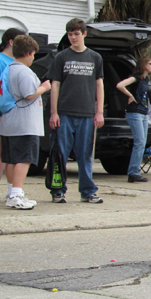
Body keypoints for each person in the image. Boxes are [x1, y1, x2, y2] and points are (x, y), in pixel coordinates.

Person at [47, 18, 105, 204]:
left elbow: (99, 85)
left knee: (85, 153)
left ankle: (88, 191)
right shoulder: (61, 57)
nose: (73, 37)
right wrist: (54, 112)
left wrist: (99, 112)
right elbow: (54, 85)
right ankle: (58, 190)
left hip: (87, 114)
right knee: (60, 152)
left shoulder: (95, 57)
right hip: (64, 112)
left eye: (76, 34)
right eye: (70, 34)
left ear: (84, 34)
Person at [0, 35, 50, 209]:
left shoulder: (8, 68)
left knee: (12, 159)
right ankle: (16, 194)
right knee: (24, 158)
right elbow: (29, 93)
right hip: (24, 123)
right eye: (33, 54)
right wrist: (44, 87)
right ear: (28, 53)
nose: (33, 58)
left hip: (9, 122)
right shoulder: (23, 71)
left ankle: (11, 191)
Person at [116, 56, 151, 183]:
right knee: (139, 141)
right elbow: (120, 85)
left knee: (142, 142)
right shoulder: (136, 77)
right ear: (143, 65)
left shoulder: (146, 79)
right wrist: (130, 95)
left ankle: (135, 170)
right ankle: (133, 172)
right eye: (150, 63)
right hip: (135, 112)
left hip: (143, 112)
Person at [0, 28, 25, 196]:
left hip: (10, 113)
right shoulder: (2, 60)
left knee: (5, 153)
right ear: (11, 42)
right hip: (3, 109)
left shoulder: (15, 62)